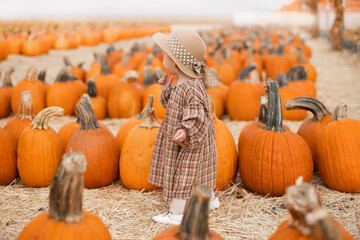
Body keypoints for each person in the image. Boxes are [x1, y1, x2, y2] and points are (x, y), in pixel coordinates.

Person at [148, 29, 220, 225]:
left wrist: (186, 130)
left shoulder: (191, 87)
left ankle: (177, 213)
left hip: (191, 140)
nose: (162, 59)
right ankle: (210, 199)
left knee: (184, 174)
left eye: (164, 56)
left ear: (175, 63)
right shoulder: (184, 83)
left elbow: (197, 113)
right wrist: (166, 91)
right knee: (203, 171)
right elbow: (175, 106)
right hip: (193, 139)